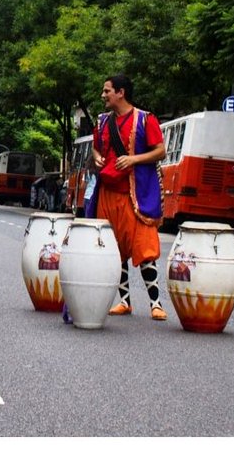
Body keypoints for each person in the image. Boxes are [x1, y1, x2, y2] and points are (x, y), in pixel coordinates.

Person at [89, 74, 167, 320]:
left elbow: (161, 151)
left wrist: (133, 159)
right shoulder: (102, 121)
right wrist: (97, 157)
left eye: (107, 91)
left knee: (145, 248)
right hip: (107, 192)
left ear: (120, 93)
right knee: (115, 250)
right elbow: (95, 147)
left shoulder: (145, 119)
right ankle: (125, 301)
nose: (103, 95)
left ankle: (156, 304)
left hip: (136, 194)